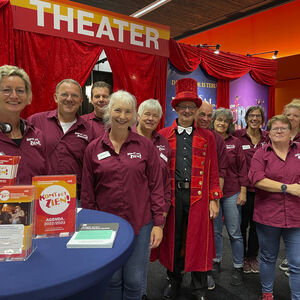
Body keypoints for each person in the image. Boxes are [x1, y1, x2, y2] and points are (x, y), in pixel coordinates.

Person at [80, 90, 165, 300]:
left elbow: (156, 186)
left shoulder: (145, 146)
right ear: (109, 111)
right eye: (117, 110)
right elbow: (88, 192)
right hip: (106, 225)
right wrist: (89, 226)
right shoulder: (93, 148)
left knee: (135, 281)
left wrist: (158, 224)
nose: (122, 116)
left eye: (128, 111)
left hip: (140, 222)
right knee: (112, 279)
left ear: (134, 115)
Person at [158, 78, 222, 300]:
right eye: (182, 107)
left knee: (198, 242)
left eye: (191, 107)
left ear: (196, 110)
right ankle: (174, 281)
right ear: (175, 108)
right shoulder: (164, 135)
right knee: (174, 241)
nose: (187, 111)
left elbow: (213, 170)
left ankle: (199, 288)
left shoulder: (208, 137)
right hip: (173, 196)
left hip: (199, 197)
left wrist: (214, 199)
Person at [248, 114, 300, 300]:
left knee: (297, 262)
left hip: (296, 217)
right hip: (268, 216)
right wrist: (288, 188)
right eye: (274, 128)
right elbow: (257, 179)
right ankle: (267, 293)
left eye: (283, 128)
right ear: (268, 133)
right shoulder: (261, 153)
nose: (278, 131)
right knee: (268, 257)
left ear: (290, 132)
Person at [27, 79, 94, 202]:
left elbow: (91, 168)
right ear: (56, 97)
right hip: (39, 195)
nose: (69, 99)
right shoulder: (35, 122)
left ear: (81, 101)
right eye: (64, 94)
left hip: (73, 197)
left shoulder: (89, 130)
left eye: (74, 95)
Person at [136, 99, 171, 300]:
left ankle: (140, 293)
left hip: (153, 211)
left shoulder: (163, 142)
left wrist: (163, 211)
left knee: (142, 257)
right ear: (139, 115)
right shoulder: (127, 137)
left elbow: (166, 181)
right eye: (147, 114)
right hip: (128, 209)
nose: (150, 118)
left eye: (155, 115)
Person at [211, 108, 248, 286]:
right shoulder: (208, 139)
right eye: (219, 119)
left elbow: (242, 168)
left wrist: (243, 191)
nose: (222, 123)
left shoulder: (236, 142)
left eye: (225, 121)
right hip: (213, 194)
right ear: (214, 121)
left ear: (229, 124)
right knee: (216, 231)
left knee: (234, 231)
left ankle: (238, 266)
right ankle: (216, 260)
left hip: (232, 192)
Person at [195, 101, 229, 290]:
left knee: (210, 236)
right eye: (202, 115)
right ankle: (177, 274)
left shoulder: (217, 140)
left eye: (209, 116)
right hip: (187, 197)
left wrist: (214, 200)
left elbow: (221, 172)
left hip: (208, 197)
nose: (206, 119)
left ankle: (206, 273)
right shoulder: (182, 134)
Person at [233, 105, 269, 273]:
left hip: (262, 190)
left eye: (258, 116)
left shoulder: (268, 138)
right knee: (241, 224)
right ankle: (240, 257)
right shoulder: (237, 136)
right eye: (251, 116)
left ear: (262, 120)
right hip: (242, 189)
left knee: (257, 226)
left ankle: (252, 257)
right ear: (246, 118)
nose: (255, 119)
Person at [0, 65, 47, 184]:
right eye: (6, 90)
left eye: (20, 90)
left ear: (27, 96)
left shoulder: (37, 135)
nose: (14, 96)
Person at [279, 99, 300, 276]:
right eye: (288, 115)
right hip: (282, 188)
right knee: (288, 226)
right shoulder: (277, 134)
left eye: (295, 116)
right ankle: (290, 257)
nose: (291, 118)